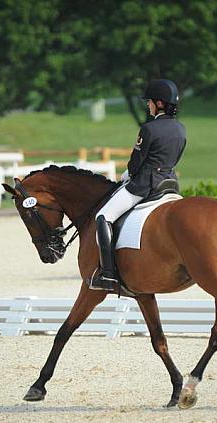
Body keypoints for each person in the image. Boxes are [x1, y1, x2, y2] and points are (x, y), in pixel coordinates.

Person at [90, 79, 187, 291]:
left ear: (160, 103)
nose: (148, 106)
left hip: (145, 185)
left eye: (150, 102)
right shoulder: (181, 129)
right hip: (170, 183)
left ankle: (108, 274)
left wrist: (128, 174)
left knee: (103, 217)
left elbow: (136, 164)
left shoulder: (149, 129)